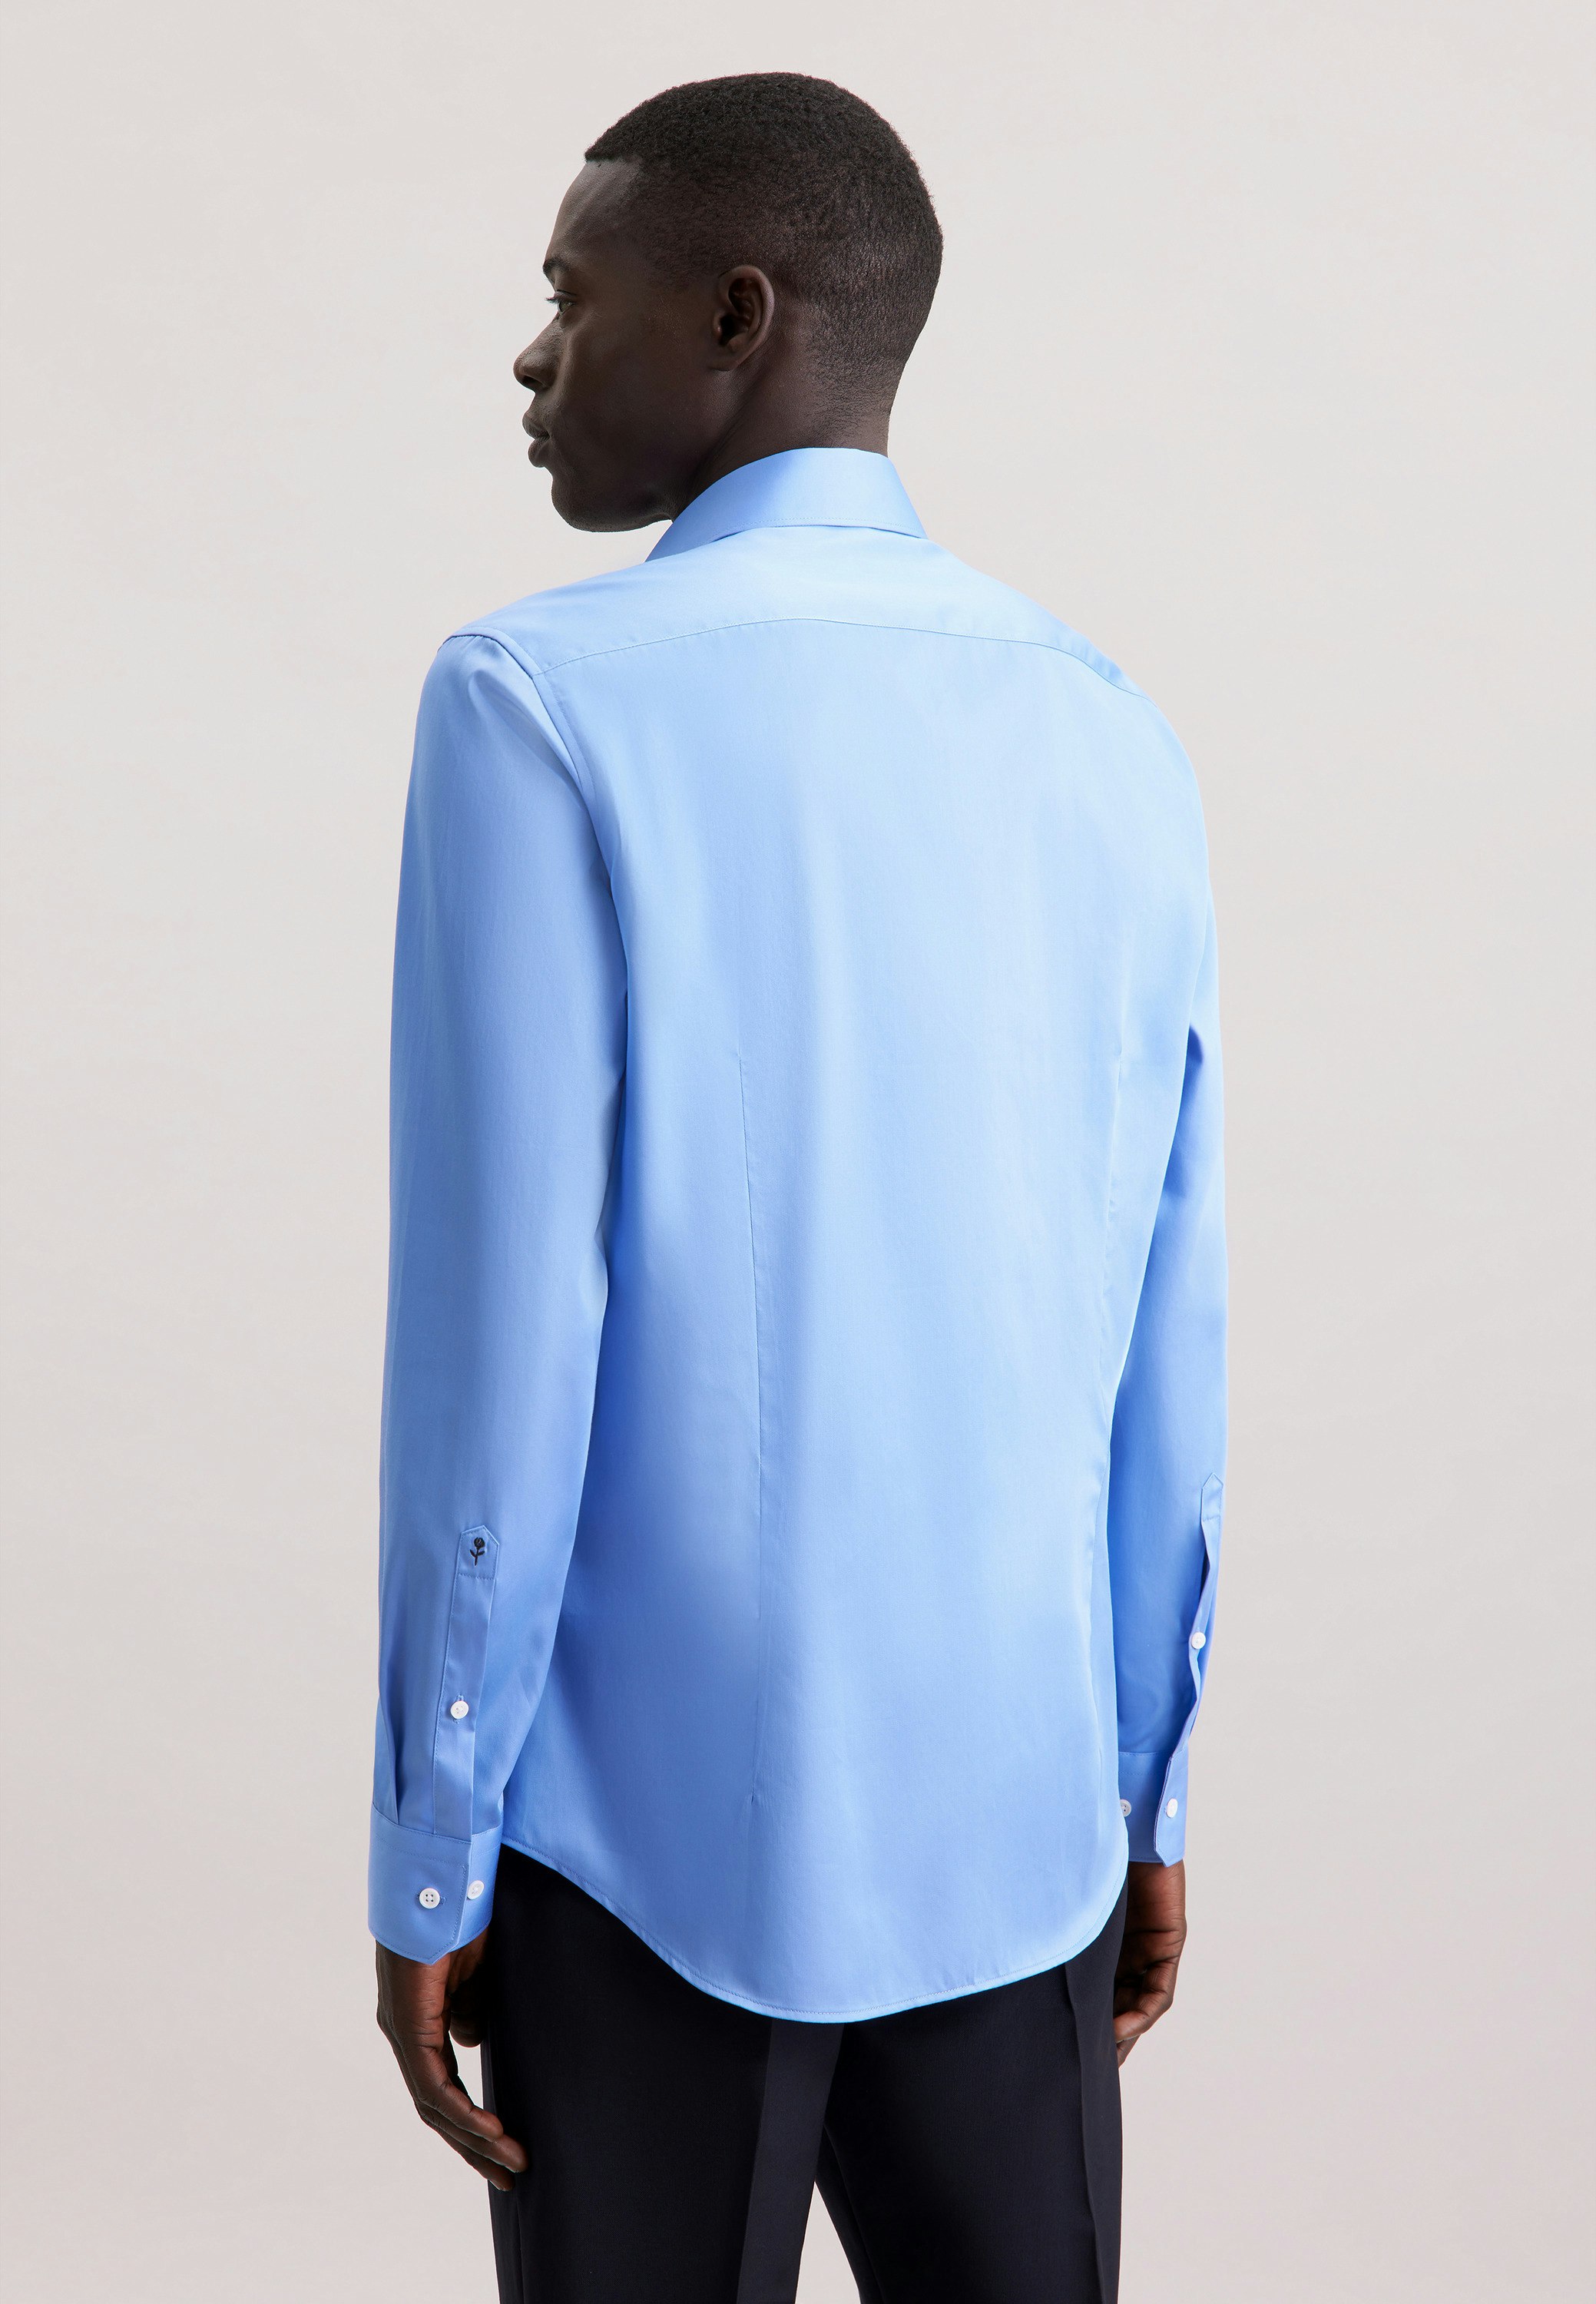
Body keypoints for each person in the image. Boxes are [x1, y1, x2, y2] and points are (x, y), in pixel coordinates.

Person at [369, 71, 1226, 2304]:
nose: (534, 354)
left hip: (635, 1851)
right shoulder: (1109, 723)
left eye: (574, 294)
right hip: (1021, 1833)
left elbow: (505, 1341)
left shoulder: (535, 704)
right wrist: (1148, 1789)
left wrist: (433, 1839)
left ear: (737, 315)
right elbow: (1165, 1325)